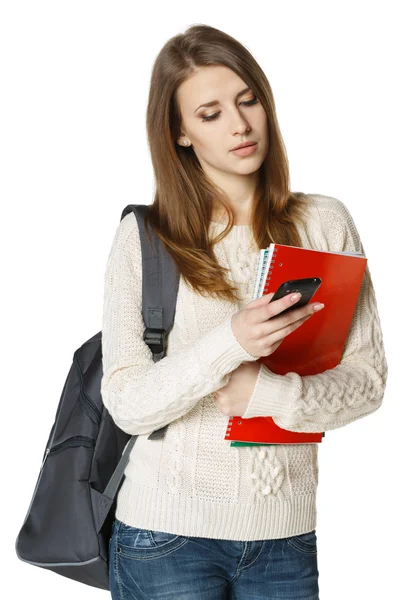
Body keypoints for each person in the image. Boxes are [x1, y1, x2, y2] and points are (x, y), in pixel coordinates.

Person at [100, 23, 388, 600]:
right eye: (209, 113)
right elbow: (128, 405)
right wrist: (230, 342)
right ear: (179, 132)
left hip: (286, 538)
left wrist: (273, 394)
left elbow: (369, 382)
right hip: (164, 538)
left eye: (247, 100)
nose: (239, 124)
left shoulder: (324, 222)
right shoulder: (145, 237)